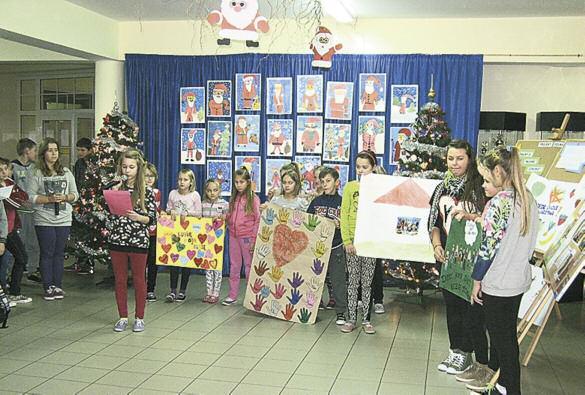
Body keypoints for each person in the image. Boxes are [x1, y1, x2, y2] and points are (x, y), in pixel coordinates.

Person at [470, 146, 538, 395]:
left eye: (487, 179)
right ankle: (501, 386)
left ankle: (511, 389)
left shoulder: (499, 203)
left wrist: (476, 279)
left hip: (498, 283)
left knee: (503, 342)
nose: (484, 185)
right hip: (517, 281)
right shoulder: (527, 197)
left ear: (499, 172)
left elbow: (487, 249)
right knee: (506, 336)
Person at [428, 140, 488, 376]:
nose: (455, 163)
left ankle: (473, 357)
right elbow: (433, 222)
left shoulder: (480, 186)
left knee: (471, 311)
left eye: (460, 158)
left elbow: (487, 222)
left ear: (469, 159)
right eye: (451, 158)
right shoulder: (441, 187)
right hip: (447, 258)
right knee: (452, 307)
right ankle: (456, 352)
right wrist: (436, 245)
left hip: (471, 260)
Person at [107, 149, 156, 333]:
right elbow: (107, 212)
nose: (127, 170)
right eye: (124, 166)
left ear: (139, 168)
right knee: (119, 279)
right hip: (118, 239)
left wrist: (138, 217)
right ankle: (122, 317)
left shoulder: (147, 191)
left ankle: (140, 318)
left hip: (138, 241)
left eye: (131, 167)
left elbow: (152, 219)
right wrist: (113, 193)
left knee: (138, 280)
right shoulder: (115, 186)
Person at [28, 138, 78, 300]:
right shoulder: (36, 173)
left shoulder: (66, 172)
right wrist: (48, 199)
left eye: (56, 150)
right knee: (47, 253)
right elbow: (30, 197)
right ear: (43, 153)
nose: (54, 153)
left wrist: (64, 197)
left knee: (59, 253)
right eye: (50, 150)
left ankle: (58, 285)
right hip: (44, 219)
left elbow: (75, 195)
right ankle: (48, 286)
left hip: (64, 219)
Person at [340, 150, 377, 334]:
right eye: (358, 167)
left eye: (365, 167)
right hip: (353, 243)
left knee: (367, 283)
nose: (361, 170)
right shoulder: (350, 187)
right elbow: (344, 215)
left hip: (370, 244)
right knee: (353, 281)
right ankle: (351, 318)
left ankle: (367, 320)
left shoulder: (378, 188)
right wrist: (347, 241)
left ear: (373, 168)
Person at [307, 167, 347, 325]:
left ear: (337, 182)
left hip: (336, 246)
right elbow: (308, 221)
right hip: (318, 248)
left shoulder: (342, 202)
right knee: (314, 280)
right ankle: (311, 309)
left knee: (338, 281)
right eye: (322, 181)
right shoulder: (316, 202)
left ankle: (341, 312)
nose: (325, 184)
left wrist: (340, 224)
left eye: (328, 181)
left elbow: (348, 224)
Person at [222, 167, 260, 306]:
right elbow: (230, 215)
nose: (239, 185)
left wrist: (254, 239)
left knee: (249, 267)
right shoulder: (234, 198)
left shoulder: (254, 199)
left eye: (242, 182)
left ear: (248, 182)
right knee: (234, 266)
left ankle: (252, 297)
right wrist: (224, 218)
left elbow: (257, 219)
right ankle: (232, 295)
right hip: (233, 236)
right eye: (236, 182)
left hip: (247, 237)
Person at [164, 168, 202, 302]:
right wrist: (171, 211)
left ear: (191, 182)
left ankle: (182, 291)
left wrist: (189, 213)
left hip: (189, 233)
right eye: (180, 179)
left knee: (186, 262)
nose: (182, 182)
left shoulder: (195, 195)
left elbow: (199, 213)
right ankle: (172, 290)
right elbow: (168, 208)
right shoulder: (173, 194)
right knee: (173, 262)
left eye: (185, 180)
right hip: (175, 233)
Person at [0, 158, 32, 304]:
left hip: (11, 228)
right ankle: (7, 293)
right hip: (3, 231)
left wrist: (15, 196)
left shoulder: (10, 183)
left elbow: (24, 196)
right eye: (0, 170)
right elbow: (13, 202)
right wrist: (15, 197)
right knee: (7, 261)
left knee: (21, 257)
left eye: (5, 169)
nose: (3, 172)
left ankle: (13, 291)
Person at [12, 138, 40, 283]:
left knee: (33, 242)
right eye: (34, 150)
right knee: (19, 241)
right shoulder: (12, 167)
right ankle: (14, 271)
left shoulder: (35, 168)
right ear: (26, 151)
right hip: (18, 211)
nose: (36, 153)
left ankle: (32, 269)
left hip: (33, 211)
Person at [68, 137, 95, 274]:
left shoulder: (94, 163)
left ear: (90, 150)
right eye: (78, 150)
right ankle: (80, 261)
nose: (80, 152)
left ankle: (88, 262)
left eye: (82, 150)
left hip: (92, 202)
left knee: (89, 233)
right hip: (80, 201)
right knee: (79, 232)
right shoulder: (79, 163)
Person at [201, 178, 229, 304]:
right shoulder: (203, 204)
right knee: (207, 266)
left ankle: (216, 292)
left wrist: (223, 217)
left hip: (218, 241)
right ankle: (208, 291)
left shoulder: (224, 204)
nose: (212, 193)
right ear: (206, 191)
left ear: (220, 191)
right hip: (206, 240)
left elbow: (228, 219)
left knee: (216, 266)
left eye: (215, 190)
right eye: (209, 190)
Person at [145, 163, 162, 302]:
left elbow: (157, 211)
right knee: (141, 262)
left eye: (152, 176)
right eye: (146, 176)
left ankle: (151, 289)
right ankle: (142, 287)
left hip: (155, 232)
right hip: (141, 231)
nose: (149, 179)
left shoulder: (157, 193)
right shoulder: (139, 191)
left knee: (153, 261)